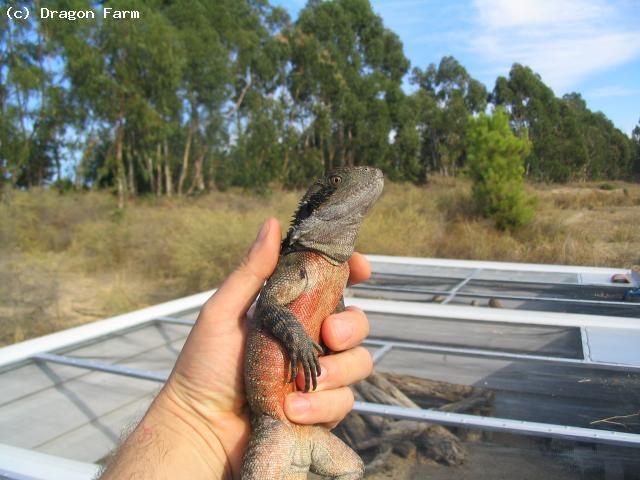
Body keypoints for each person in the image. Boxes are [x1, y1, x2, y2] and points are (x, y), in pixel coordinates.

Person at [100, 218, 374, 479]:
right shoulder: (300, 260)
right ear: (316, 207)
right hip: (274, 426)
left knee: (352, 468)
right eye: (336, 181)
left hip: (309, 431)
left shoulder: (339, 269)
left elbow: (329, 327)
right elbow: (270, 303)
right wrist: (189, 416)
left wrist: (336, 344)